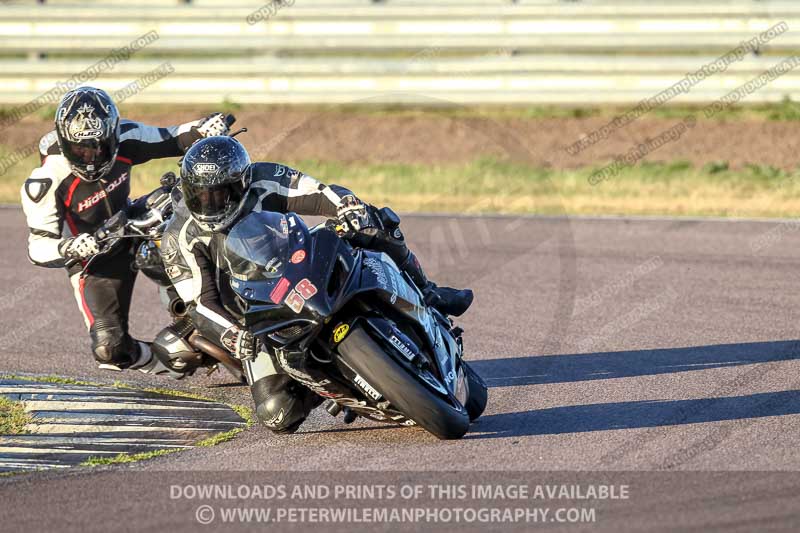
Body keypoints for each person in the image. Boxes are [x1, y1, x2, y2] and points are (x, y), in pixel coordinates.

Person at [161, 136, 473, 433]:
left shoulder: (263, 178)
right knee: (277, 412)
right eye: (199, 194)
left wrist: (347, 207)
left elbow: (320, 192)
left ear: (241, 181)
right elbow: (200, 302)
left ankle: (430, 293)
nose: (209, 203)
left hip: (299, 260)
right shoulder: (178, 237)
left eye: (219, 193)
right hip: (255, 312)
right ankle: (335, 384)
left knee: (375, 223)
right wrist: (232, 334)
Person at [20, 86, 230, 373]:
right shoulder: (44, 180)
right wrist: (70, 247)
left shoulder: (128, 136)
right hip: (92, 254)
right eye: (80, 148)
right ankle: (171, 362)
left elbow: (173, 137)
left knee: (184, 206)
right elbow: (36, 247)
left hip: (134, 219)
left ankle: (225, 295)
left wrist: (205, 127)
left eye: (98, 146)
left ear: (113, 137)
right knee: (109, 350)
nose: (91, 157)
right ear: (64, 140)